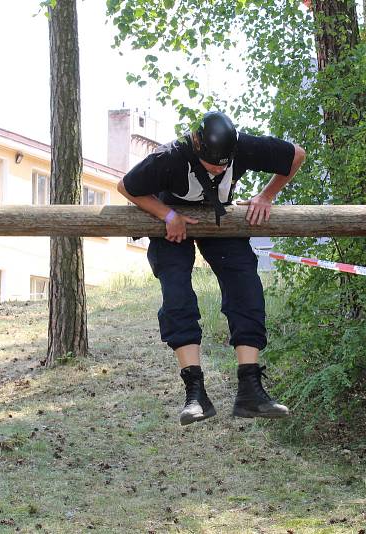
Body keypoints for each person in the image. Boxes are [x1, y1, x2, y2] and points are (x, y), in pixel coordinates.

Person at [117, 111, 306, 425]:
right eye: (212, 164)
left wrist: (266, 196)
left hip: (219, 220)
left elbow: (296, 155)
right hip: (172, 224)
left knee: (246, 287)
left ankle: (250, 391)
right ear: (196, 145)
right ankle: (195, 394)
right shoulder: (170, 156)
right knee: (177, 293)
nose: (219, 169)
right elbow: (127, 186)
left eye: (223, 164)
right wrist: (167, 215)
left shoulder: (242, 146)